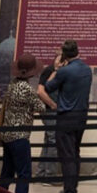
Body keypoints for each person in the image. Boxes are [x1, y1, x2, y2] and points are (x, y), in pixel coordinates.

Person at [44, 40, 92, 193]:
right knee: (74, 153)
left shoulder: (64, 71)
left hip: (66, 115)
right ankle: (71, 189)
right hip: (82, 115)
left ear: (64, 54)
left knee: (67, 156)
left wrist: (56, 69)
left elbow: (48, 87)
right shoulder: (87, 69)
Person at [0, 54, 47, 193]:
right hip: (20, 136)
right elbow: (41, 107)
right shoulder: (27, 89)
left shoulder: (12, 85)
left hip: (7, 134)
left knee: (6, 173)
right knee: (24, 174)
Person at [34, 52, 62, 181]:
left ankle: (41, 172)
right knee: (53, 140)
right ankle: (49, 175)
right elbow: (41, 90)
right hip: (50, 110)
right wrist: (52, 104)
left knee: (48, 140)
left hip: (52, 110)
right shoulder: (49, 71)